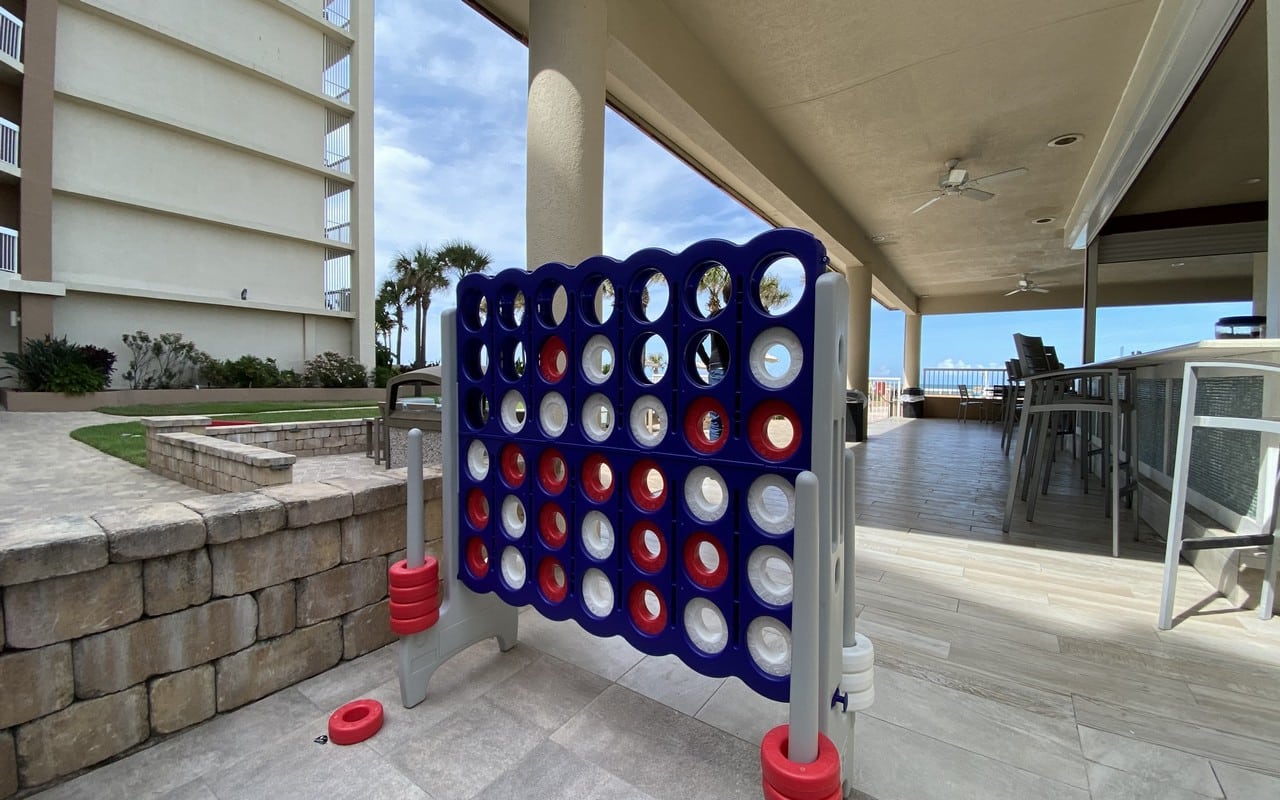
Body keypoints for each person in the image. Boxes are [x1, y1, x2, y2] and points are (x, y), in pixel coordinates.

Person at [695, 334, 728, 442]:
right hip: (729, 367)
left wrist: (707, 361)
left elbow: (697, 342)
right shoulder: (736, 317)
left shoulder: (712, 316)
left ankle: (715, 451)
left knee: (716, 415)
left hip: (716, 367)